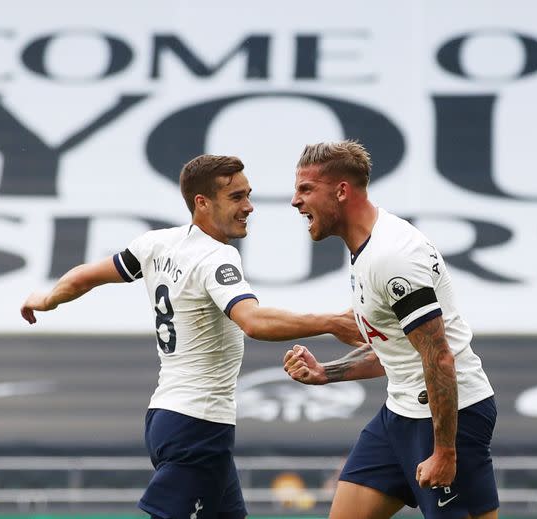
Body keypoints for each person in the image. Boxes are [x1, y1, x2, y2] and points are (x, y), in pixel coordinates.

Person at [20, 154, 360, 519]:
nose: (248, 207)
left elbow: (85, 276)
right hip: (198, 425)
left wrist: (47, 298)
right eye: (236, 198)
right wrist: (331, 322)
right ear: (202, 202)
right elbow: (254, 321)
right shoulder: (216, 259)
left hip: (171, 416)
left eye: (248, 195)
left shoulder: (157, 244)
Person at [283, 140, 498, 519]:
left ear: (342, 191)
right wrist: (325, 372)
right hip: (398, 414)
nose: (295, 201)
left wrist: (445, 452)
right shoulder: (367, 249)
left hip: (449, 420)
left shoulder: (393, 257)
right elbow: (397, 352)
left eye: (305, 189)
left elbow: (438, 356)